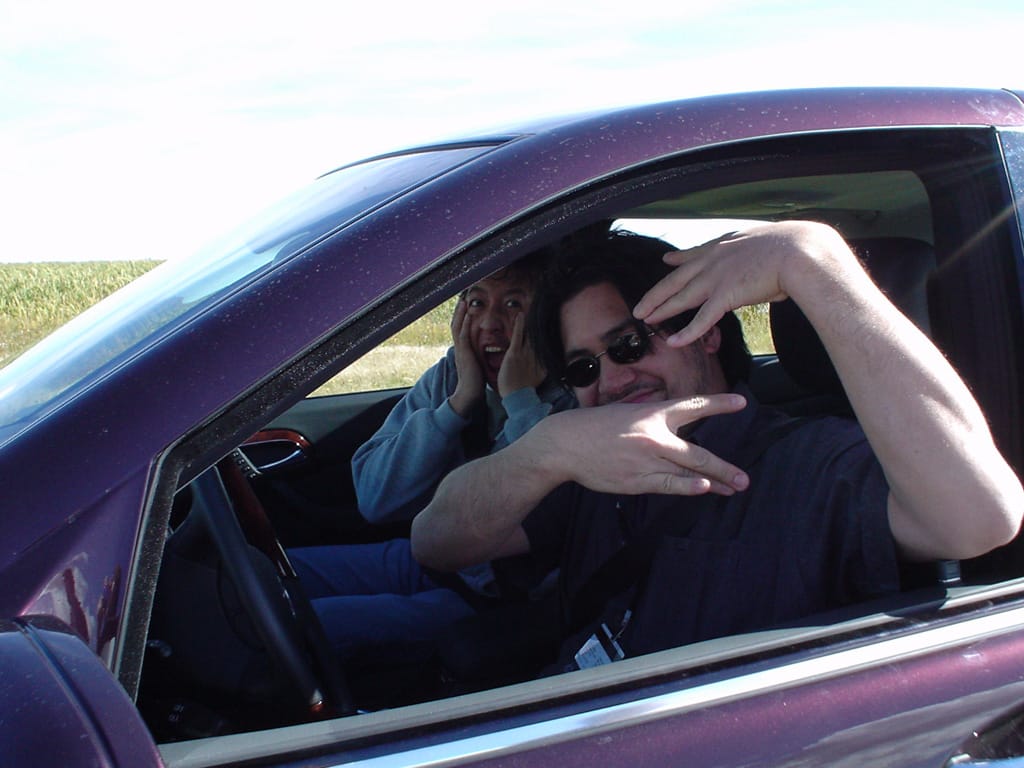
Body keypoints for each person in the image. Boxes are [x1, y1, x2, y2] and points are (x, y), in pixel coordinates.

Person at [411, 221, 1024, 670]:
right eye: (581, 369)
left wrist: (810, 263)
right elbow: (437, 542)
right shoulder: (589, 460)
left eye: (628, 345)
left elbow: (980, 517)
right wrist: (543, 450)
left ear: (702, 332)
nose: (613, 380)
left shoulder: (810, 464)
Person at [288, 252, 574, 665]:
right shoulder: (453, 376)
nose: (489, 324)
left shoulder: (575, 394)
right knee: (272, 578)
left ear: (546, 315)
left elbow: (522, 507)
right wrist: (456, 407)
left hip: (501, 601)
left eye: (513, 304)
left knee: (306, 626)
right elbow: (375, 498)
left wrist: (519, 401)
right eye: (475, 303)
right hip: (430, 564)